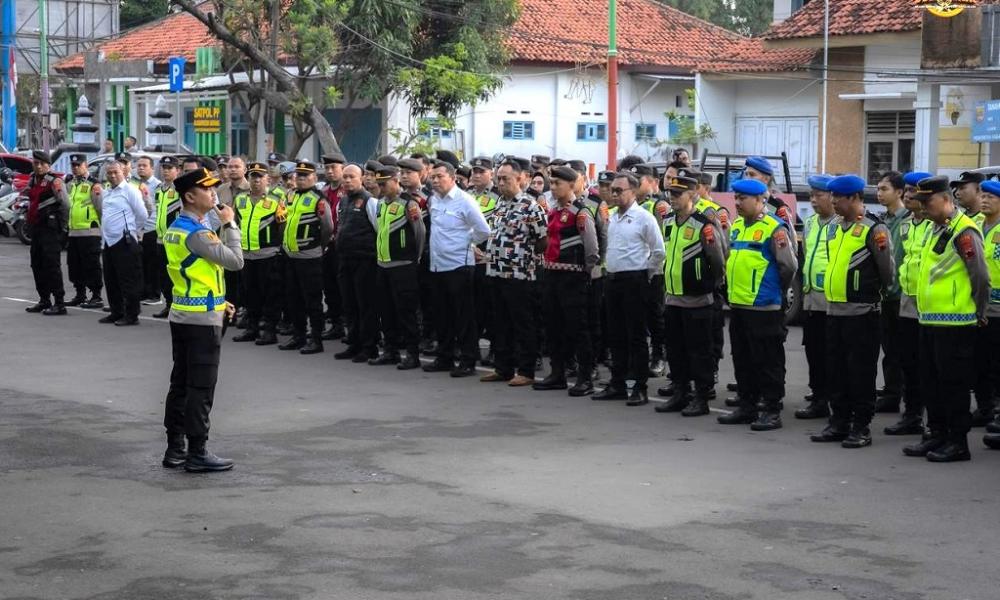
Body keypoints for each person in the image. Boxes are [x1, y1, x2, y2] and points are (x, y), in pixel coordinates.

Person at [161, 167, 244, 472]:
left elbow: (200, 273)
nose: (213, 194)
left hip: (184, 314)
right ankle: (198, 452)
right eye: (207, 190)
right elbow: (235, 261)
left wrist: (222, 300)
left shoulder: (177, 227)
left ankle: (175, 449)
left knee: (180, 383)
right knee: (201, 387)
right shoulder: (198, 233)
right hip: (202, 322)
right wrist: (230, 224)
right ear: (190, 196)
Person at [902, 175, 988, 462]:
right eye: (921, 202)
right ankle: (936, 434)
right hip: (929, 319)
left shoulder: (964, 231)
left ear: (946, 200)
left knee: (953, 385)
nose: (923, 207)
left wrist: (979, 310)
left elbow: (980, 276)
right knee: (931, 383)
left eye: (928, 201)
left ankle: (958, 442)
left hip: (956, 322)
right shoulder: (932, 228)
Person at [810, 175, 893, 449]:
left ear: (855, 198)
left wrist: (871, 295)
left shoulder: (874, 229)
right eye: (832, 197)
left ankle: (861, 425)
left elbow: (886, 270)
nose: (833, 202)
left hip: (862, 313)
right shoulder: (834, 227)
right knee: (836, 371)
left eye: (839, 198)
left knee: (860, 372)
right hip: (834, 311)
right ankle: (839, 421)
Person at [718, 178, 797, 431]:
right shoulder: (738, 226)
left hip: (764, 308)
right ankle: (747, 405)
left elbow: (789, 267)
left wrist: (774, 292)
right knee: (742, 358)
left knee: (768, 361)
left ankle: (771, 409)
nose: (737, 203)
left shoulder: (775, 228)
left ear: (760, 200)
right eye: (736, 198)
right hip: (739, 306)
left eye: (743, 199)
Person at [653, 169, 726, 416]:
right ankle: (680, 393)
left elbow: (717, 260)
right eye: (670, 193)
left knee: (699, 352)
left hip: (697, 301)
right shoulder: (670, 222)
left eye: (678, 193)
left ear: (692, 194)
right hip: (673, 298)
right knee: (676, 350)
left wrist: (708, 284)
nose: (672, 198)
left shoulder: (704, 225)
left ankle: (702, 397)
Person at [593, 172, 665, 406]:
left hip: (634, 280)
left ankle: (638, 386)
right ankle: (618, 382)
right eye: (612, 190)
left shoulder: (644, 218)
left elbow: (658, 252)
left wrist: (646, 274)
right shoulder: (611, 217)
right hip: (612, 279)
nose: (613, 194)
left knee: (635, 336)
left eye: (618, 190)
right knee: (615, 334)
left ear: (633, 192)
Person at [480, 159, 547, 386]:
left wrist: (522, 256)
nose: (500, 183)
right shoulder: (500, 203)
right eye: (498, 178)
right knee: (500, 324)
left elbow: (542, 240)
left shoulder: (531, 206)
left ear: (520, 179)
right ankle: (503, 368)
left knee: (523, 324)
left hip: (519, 275)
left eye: (505, 178)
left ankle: (526, 370)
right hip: (496, 272)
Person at [534, 165, 599, 395]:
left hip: (573, 276)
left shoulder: (580, 213)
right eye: (552, 183)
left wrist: (584, 272)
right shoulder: (552, 210)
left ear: (572, 185)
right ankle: (557, 373)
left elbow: (592, 248)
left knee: (577, 328)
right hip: (552, 274)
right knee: (553, 326)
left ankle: (585, 376)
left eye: (557, 184)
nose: (553, 187)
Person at [422, 160, 491, 377]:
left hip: (459, 265)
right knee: (441, 315)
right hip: (437, 264)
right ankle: (445, 356)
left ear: (452, 178)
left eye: (439, 176)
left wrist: (468, 244)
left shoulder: (464, 200)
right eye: (432, 177)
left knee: (463, 316)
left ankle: (468, 360)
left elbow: (483, 230)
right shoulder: (433, 200)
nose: (435, 180)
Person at [884, 171, 935, 436]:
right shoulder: (907, 224)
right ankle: (912, 414)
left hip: (929, 305)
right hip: (906, 301)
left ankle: (932, 420)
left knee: (928, 365)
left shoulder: (935, 224)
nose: (908, 196)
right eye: (907, 191)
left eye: (913, 192)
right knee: (908, 362)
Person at [371, 165, 426, 369]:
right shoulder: (380, 204)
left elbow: (419, 232)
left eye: (384, 183)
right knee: (386, 310)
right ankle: (390, 351)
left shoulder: (409, 204)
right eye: (378, 184)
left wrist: (415, 258)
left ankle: (412, 354)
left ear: (396, 181)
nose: (381, 187)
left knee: (406, 312)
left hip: (403, 265)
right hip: (383, 264)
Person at [795, 175, 838, 419]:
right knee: (813, 351)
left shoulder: (840, 223)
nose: (812, 200)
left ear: (832, 197)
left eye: (817, 195)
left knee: (831, 353)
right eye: (811, 196)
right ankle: (819, 397)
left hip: (831, 299)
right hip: (812, 298)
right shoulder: (810, 223)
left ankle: (833, 398)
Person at [280, 160, 333, 354]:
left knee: (312, 299)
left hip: (310, 256)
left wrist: (319, 247)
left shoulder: (319, 199)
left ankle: (316, 339)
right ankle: (298, 335)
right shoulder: (290, 195)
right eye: (298, 176)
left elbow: (327, 227)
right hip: (291, 255)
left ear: (314, 177)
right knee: (293, 298)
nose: (300, 179)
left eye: (305, 176)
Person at [231, 162, 285, 346]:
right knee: (250, 294)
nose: (256, 180)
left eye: (260, 177)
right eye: (253, 176)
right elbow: (235, 223)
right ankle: (252, 328)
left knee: (270, 295)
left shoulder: (277, 199)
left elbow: (283, 226)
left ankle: (269, 330)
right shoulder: (240, 199)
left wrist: (279, 249)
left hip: (268, 255)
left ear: (267, 179)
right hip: (247, 255)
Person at [870, 171, 910, 416]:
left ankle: (902, 394)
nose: (879, 193)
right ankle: (892, 391)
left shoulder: (908, 220)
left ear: (899, 192)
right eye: (878, 189)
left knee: (903, 350)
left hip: (903, 296)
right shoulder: (883, 220)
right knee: (890, 349)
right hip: (886, 295)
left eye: (884, 189)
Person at [334, 163, 380, 362]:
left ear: (362, 179)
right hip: (345, 260)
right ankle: (354, 343)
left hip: (365, 261)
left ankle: (369, 347)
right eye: (345, 176)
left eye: (352, 176)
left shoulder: (370, 201)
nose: (347, 180)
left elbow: (379, 230)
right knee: (349, 304)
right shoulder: (343, 201)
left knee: (366, 306)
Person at [628, 163, 669, 378]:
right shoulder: (633, 204)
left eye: (639, 181)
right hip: (636, 269)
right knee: (638, 315)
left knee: (655, 314)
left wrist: (653, 266)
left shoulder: (658, 205)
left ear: (652, 182)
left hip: (655, 270)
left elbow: (662, 239)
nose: (634, 185)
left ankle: (659, 355)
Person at [99, 159, 148, 325]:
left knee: (129, 280)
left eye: (116, 172)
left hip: (124, 241)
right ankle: (116, 311)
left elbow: (142, 215)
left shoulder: (130, 190)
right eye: (109, 173)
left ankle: (131, 314)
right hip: (108, 242)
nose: (112, 176)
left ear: (123, 173)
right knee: (111, 279)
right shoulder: (108, 192)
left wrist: (132, 230)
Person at [24, 150, 70, 315]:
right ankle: (44, 300)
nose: (37, 166)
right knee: (37, 265)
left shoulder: (55, 181)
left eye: (40, 164)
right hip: (36, 229)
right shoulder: (33, 179)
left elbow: (65, 205)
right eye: (35, 163)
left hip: (50, 230)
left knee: (52, 267)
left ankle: (59, 303)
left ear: (47, 165)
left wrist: (63, 228)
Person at [468, 156, 499, 364]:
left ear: (491, 174)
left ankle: (496, 350)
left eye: (481, 171)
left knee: (492, 309)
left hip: (490, 259)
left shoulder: (498, 197)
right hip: (468, 257)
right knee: (472, 308)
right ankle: (471, 350)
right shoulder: (467, 195)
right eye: (474, 171)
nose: (477, 175)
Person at [64, 154, 104, 309]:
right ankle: (80, 294)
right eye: (73, 165)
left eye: (78, 165)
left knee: (91, 265)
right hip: (73, 231)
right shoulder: (71, 183)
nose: (75, 168)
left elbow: (100, 208)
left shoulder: (94, 184)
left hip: (90, 232)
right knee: (74, 265)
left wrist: (99, 227)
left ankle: (96, 295)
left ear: (85, 165)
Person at [978, 180, 1000, 449]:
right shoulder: (975, 226)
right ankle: (986, 409)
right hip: (980, 307)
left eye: (991, 197)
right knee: (982, 364)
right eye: (982, 196)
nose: (984, 201)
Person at [151, 156, 182, 319]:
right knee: (164, 275)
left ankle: (178, 306)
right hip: (160, 239)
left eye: (170, 168)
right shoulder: (159, 189)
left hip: (176, 241)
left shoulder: (180, 189)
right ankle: (169, 304)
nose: (166, 171)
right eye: (164, 167)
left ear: (178, 170)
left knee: (176, 275)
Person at [321, 152, 347, 340]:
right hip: (326, 245)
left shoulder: (348, 190)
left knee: (343, 287)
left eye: (334, 168)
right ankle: (336, 323)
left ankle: (347, 324)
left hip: (343, 246)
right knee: (329, 286)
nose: (330, 171)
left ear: (342, 169)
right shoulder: (323, 191)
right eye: (327, 168)